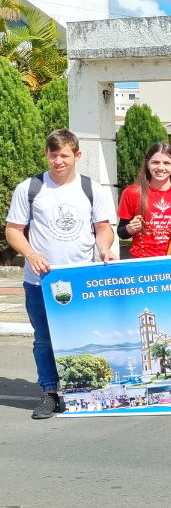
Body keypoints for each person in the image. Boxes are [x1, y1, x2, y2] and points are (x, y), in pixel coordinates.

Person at [5, 130, 118, 419]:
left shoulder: (91, 188)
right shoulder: (29, 188)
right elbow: (13, 230)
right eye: (53, 154)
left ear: (77, 156)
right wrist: (31, 254)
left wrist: (104, 250)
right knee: (44, 338)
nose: (59, 161)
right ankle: (50, 393)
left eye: (65, 155)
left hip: (81, 278)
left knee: (84, 336)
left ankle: (84, 392)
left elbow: (103, 228)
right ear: (46, 154)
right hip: (40, 281)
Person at [117, 142, 171, 257]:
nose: (161, 168)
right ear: (147, 164)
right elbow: (122, 233)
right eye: (155, 162)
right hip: (144, 262)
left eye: (166, 163)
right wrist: (130, 228)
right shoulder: (132, 192)